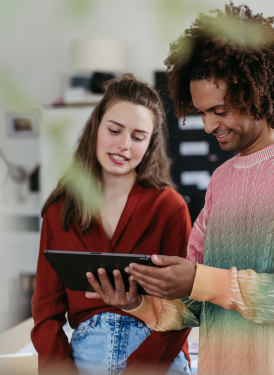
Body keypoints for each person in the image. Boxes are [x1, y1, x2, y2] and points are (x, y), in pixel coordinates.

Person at [87, 3, 274, 375]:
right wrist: (138, 303)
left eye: (220, 110)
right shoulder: (223, 179)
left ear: (256, 92)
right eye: (201, 113)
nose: (209, 125)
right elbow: (197, 304)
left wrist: (199, 279)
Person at [31, 74, 192, 375]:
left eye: (137, 136)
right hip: (87, 351)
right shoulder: (60, 210)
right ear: (96, 127)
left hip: (156, 353)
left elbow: (181, 309)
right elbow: (45, 312)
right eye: (115, 130)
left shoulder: (170, 207)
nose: (123, 145)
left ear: (150, 144)